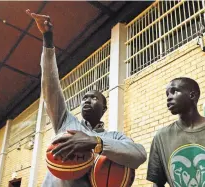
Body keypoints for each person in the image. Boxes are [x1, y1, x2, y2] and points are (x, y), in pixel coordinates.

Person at [26, 10, 147, 187]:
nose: (87, 100)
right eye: (85, 98)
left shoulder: (113, 136)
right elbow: (50, 85)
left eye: (94, 98)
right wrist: (48, 39)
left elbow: (139, 154)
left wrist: (95, 142)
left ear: (104, 108)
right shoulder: (65, 122)